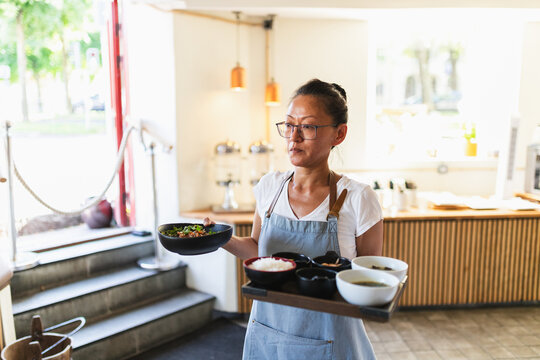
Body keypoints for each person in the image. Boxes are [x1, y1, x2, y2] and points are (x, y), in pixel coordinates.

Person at [205, 78, 383, 360]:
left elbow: (368, 279)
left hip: (330, 340)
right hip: (268, 333)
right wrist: (220, 238)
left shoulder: (358, 198)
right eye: (289, 125)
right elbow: (258, 250)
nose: (294, 137)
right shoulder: (269, 188)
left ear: (339, 134)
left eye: (308, 126)